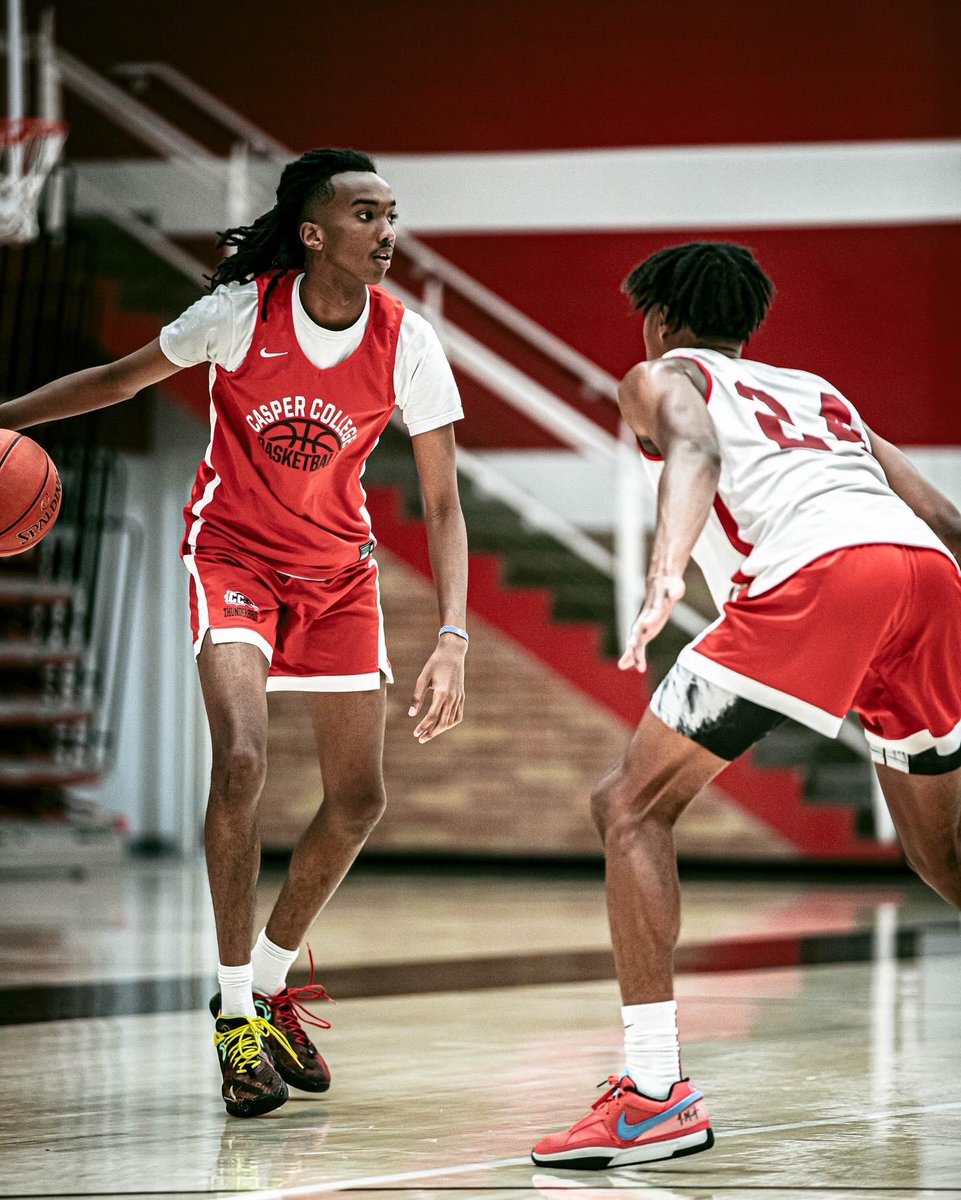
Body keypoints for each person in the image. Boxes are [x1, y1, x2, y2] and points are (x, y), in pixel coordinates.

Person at [1, 147, 469, 1118]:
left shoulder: (406, 340)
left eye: (392, 213)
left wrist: (455, 636)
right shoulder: (238, 314)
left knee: (359, 800)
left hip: (339, 577)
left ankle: (270, 983)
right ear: (312, 232)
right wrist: (5, 416)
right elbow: (118, 381)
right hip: (234, 560)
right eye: (366, 214)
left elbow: (441, 501)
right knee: (245, 760)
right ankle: (230, 1016)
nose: (388, 231)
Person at [531, 241, 961, 1170]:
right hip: (927, 579)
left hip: (820, 578)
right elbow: (943, 517)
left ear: (657, 316)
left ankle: (652, 1096)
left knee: (630, 807)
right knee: (945, 857)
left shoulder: (661, 372)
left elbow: (688, 442)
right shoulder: (819, 391)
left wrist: (661, 570)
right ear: (749, 323)